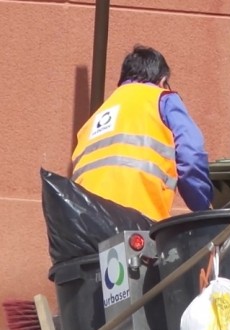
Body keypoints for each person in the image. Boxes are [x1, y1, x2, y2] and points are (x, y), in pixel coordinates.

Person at [70, 45, 213, 221]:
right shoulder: (163, 99)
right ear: (162, 80)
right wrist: (203, 206)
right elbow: (192, 154)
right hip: (137, 220)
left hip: (86, 224)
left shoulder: (94, 119)